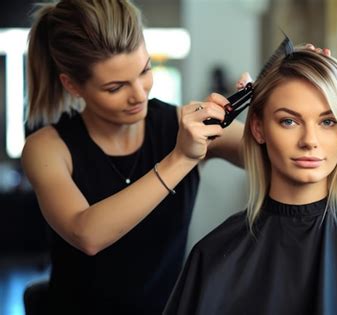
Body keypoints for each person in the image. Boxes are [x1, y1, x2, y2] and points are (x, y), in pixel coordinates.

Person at [163, 41, 337, 314]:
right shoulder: (213, 257)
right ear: (258, 128)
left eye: (328, 121)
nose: (310, 141)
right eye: (289, 121)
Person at [21, 0, 249, 314]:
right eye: (115, 87)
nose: (139, 95)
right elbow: (87, 233)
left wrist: (299, 86)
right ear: (72, 85)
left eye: (145, 70)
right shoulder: (47, 148)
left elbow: (272, 155)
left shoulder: (184, 124)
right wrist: (181, 158)